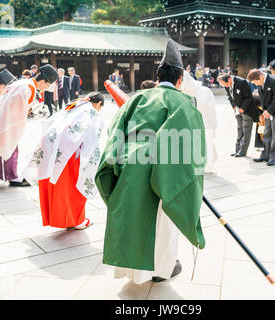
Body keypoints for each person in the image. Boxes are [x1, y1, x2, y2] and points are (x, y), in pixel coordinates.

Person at [95, 40, 206, 285]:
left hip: (128, 167)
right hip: (161, 172)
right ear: (180, 80)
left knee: (132, 219)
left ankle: (132, 271)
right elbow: (190, 148)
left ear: (158, 77)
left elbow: (115, 133)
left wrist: (115, 166)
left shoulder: (138, 99)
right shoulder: (185, 103)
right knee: (161, 225)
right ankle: (159, 269)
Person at [24, 93, 104, 230]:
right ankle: (77, 220)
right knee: (73, 188)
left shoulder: (74, 105)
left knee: (58, 186)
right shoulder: (92, 112)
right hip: (71, 154)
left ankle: (61, 219)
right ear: (98, 104)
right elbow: (92, 140)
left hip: (53, 149)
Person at [0, 64, 59, 187]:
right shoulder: (27, 88)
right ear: (43, 82)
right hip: (6, 122)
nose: (46, 88)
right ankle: (12, 177)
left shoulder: (26, 84)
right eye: (47, 85)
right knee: (9, 146)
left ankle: (6, 174)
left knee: (4, 147)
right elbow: (15, 111)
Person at [247, 69, 275, 166]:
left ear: (260, 77)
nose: (256, 84)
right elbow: (261, 98)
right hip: (267, 112)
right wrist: (264, 111)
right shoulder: (261, 83)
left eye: (255, 82)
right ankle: (265, 156)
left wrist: (269, 111)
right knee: (266, 135)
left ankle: (273, 158)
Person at [181, 71, 218, 173]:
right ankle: (208, 160)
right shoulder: (187, 92)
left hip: (207, 122)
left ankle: (208, 166)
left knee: (208, 143)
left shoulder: (204, 91)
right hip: (197, 122)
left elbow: (200, 106)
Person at [218, 73, 261, 157]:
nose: (226, 86)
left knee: (246, 130)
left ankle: (242, 151)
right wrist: (233, 106)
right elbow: (229, 96)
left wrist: (243, 108)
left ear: (229, 79)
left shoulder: (242, 82)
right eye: (224, 85)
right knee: (239, 129)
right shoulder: (226, 85)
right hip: (237, 111)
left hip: (247, 110)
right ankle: (237, 150)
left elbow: (249, 97)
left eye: (226, 84)